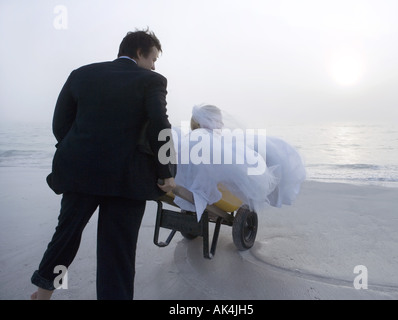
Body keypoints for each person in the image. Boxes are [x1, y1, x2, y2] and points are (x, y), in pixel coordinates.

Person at [30, 29, 176, 300]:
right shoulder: (152, 80)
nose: (155, 65)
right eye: (153, 58)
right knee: (117, 250)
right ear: (140, 53)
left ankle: (43, 292)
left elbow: (60, 124)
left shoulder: (81, 74)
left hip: (80, 172)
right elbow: (160, 125)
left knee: (67, 235)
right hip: (127, 179)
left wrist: (81, 151)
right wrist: (166, 170)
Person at [172, 104, 306, 220]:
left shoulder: (191, 137)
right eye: (218, 121)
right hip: (210, 182)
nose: (222, 124)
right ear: (208, 121)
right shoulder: (208, 140)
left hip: (184, 181)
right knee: (254, 161)